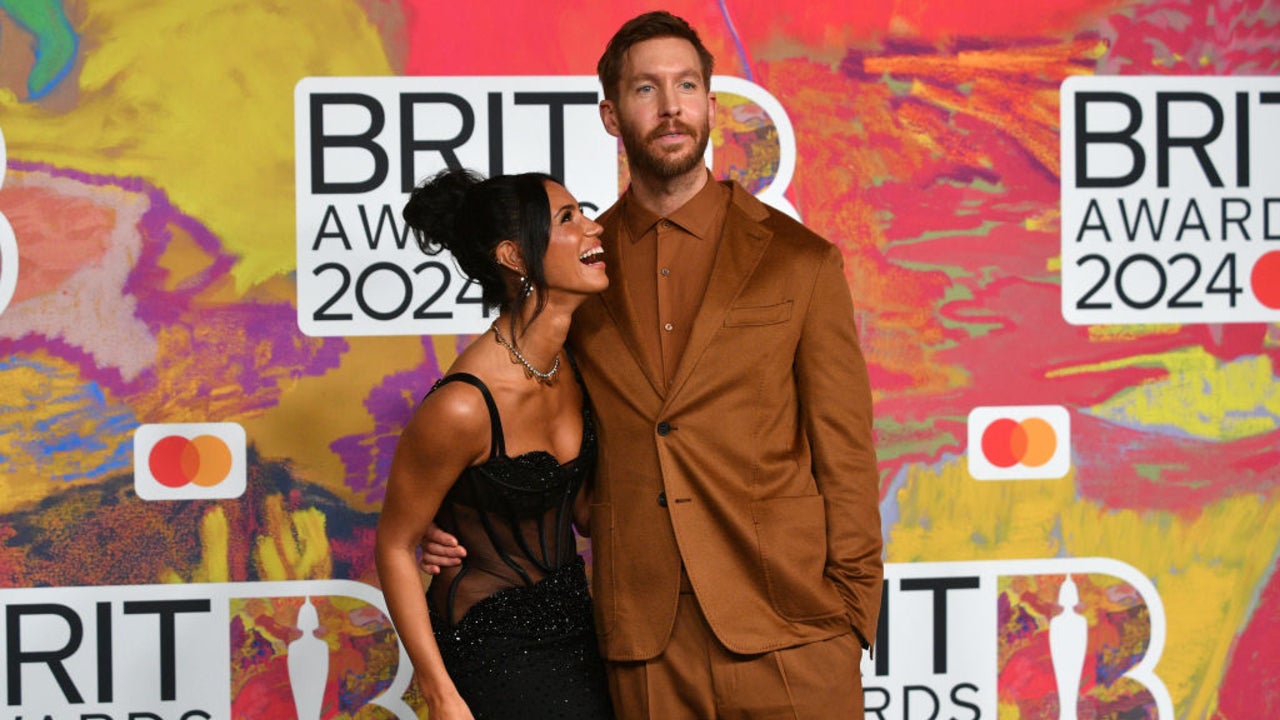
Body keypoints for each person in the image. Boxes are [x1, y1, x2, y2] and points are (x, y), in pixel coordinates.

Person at [422, 10, 883, 718]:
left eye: (688, 85)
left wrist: (852, 613)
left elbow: (845, 454)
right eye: (646, 89)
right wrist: (457, 518)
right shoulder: (578, 271)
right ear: (612, 113)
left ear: (708, 104)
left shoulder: (802, 261)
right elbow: (517, 407)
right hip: (645, 642)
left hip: (792, 633)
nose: (671, 106)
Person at [375, 168, 614, 720]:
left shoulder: (578, 362)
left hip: (578, 626)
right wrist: (442, 696)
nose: (594, 228)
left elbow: (579, 511)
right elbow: (394, 545)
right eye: (568, 219)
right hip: (491, 645)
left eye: (584, 212)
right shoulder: (463, 405)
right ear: (514, 256)